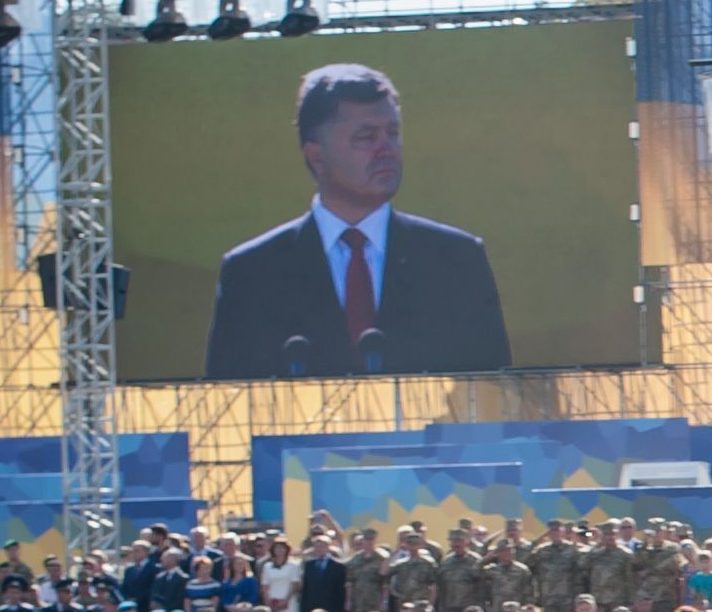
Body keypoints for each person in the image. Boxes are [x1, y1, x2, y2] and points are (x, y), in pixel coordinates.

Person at [200, 63, 513, 378]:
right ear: (316, 156)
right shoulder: (253, 273)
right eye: (366, 138)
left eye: (393, 134)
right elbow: (226, 402)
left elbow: (496, 396)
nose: (387, 150)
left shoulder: (455, 259)